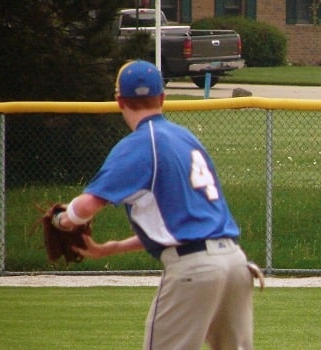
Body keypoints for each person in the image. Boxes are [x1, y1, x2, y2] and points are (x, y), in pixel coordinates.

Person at [51, 60, 256, 349]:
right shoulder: (187, 139)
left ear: (119, 100)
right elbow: (184, 224)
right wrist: (115, 247)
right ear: (162, 98)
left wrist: (63, 220)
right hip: (234, 263)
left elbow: (85, 207)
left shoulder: (139, 144)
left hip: (195, 270)